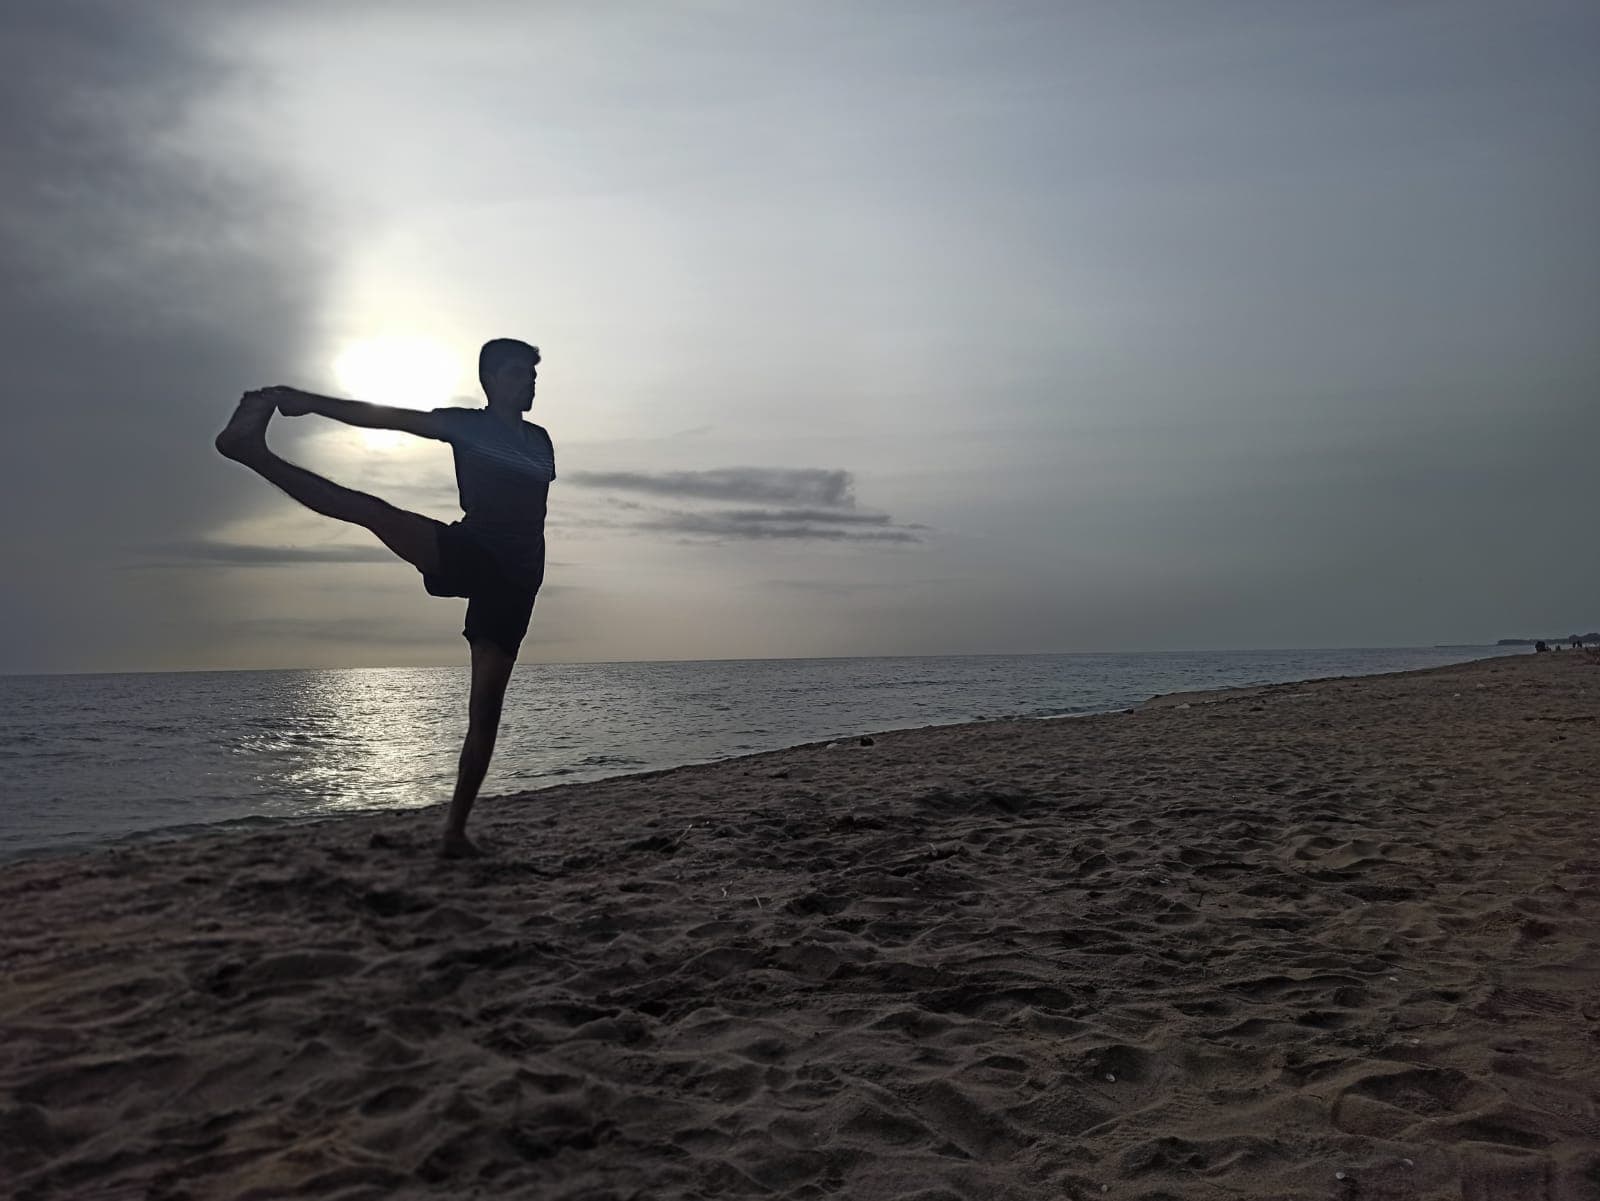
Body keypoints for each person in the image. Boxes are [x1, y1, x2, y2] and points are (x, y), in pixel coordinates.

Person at [215, 338, 554, 858]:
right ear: (490, 381)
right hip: (473, 550)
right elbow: (389, 418)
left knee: (485, 711)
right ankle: (252, 452)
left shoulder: (540, 440)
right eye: (517, 374)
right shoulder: (465, 426)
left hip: (516, 583)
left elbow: (529, 498)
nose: (528, 383)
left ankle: (454, 833)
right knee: (373, 511)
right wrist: (311, 402)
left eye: (532, 375)